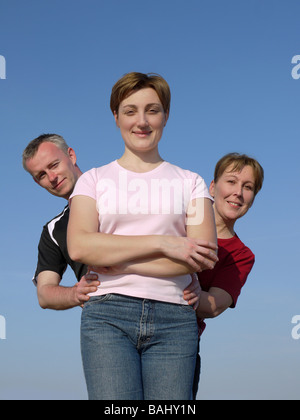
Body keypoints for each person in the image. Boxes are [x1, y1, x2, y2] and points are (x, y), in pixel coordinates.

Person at [67, 72, 218, 400]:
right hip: (107, 316)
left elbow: (202, 255)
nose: (142, 121)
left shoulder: (191, 182)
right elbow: (79, 246)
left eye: (153, 109)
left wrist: (113, 255)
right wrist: (165, 243)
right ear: (116, 117)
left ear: (166, 116)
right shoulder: (92, 180)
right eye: (130, 110)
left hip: (175, 319)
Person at [193, 152, 264, 398]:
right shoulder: (175, 221)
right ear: (212, 187)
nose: (238, 193)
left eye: (248, 187)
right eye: (231, 182)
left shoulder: (241, 255)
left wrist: (170, 286)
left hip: (182, 339)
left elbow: (212, 307)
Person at [22, 134, 100, 310]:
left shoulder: (117, 190)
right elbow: (44, 294)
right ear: (36, 182)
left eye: (54, 165)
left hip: (164, 306)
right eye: (41, 175)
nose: (51, 177)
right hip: (103, 318)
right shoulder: (53, 230)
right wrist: (75, 294)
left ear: (71, 156)